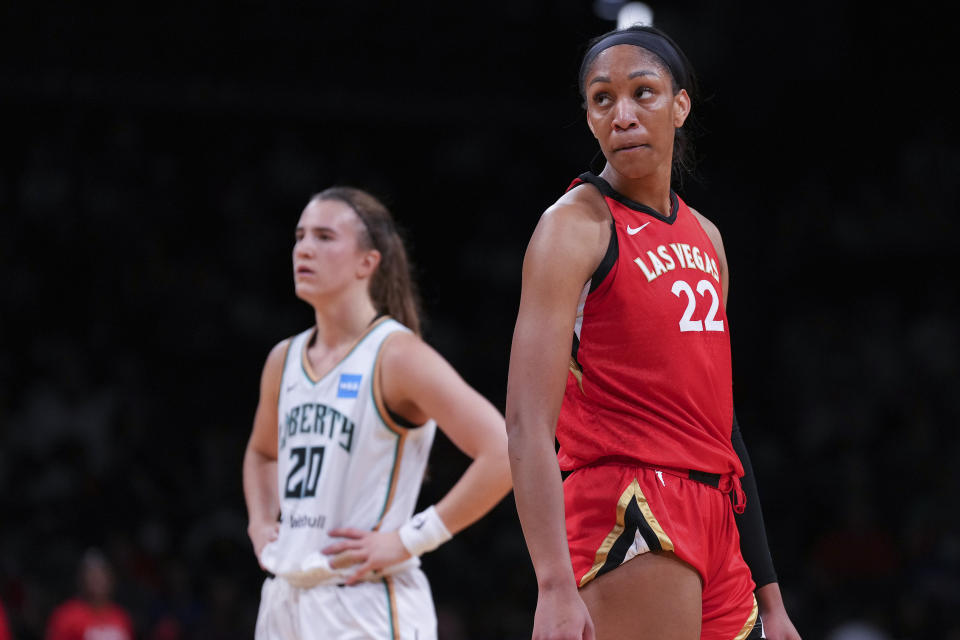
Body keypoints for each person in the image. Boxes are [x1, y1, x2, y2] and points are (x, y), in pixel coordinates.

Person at [505, 25, 801, 640]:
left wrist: (771, 599)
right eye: (602, 99)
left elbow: (722, 424)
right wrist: (553, 582)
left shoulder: (708, 238)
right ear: (588, 118)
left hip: (717, 514)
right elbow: (527, 420)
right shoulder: (574, 227)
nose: (623, 114)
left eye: (644, 92)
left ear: (681, 105)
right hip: (630, 495)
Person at [243, 186, 512, 640]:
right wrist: (260, 521)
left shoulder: (396, 355)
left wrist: (412, 539)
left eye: (325, 237)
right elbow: (262, 453)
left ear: (368, 262)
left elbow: (505, 452)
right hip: (285, 598)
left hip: (363, 603)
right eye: (300, 235)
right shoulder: (282, 360)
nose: (304, 248)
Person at [45, 549, 134, 640]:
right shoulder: (67, 616)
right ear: (82, 579)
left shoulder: (121, 617)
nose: (97, 580)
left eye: (101, 574)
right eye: (92, 575)